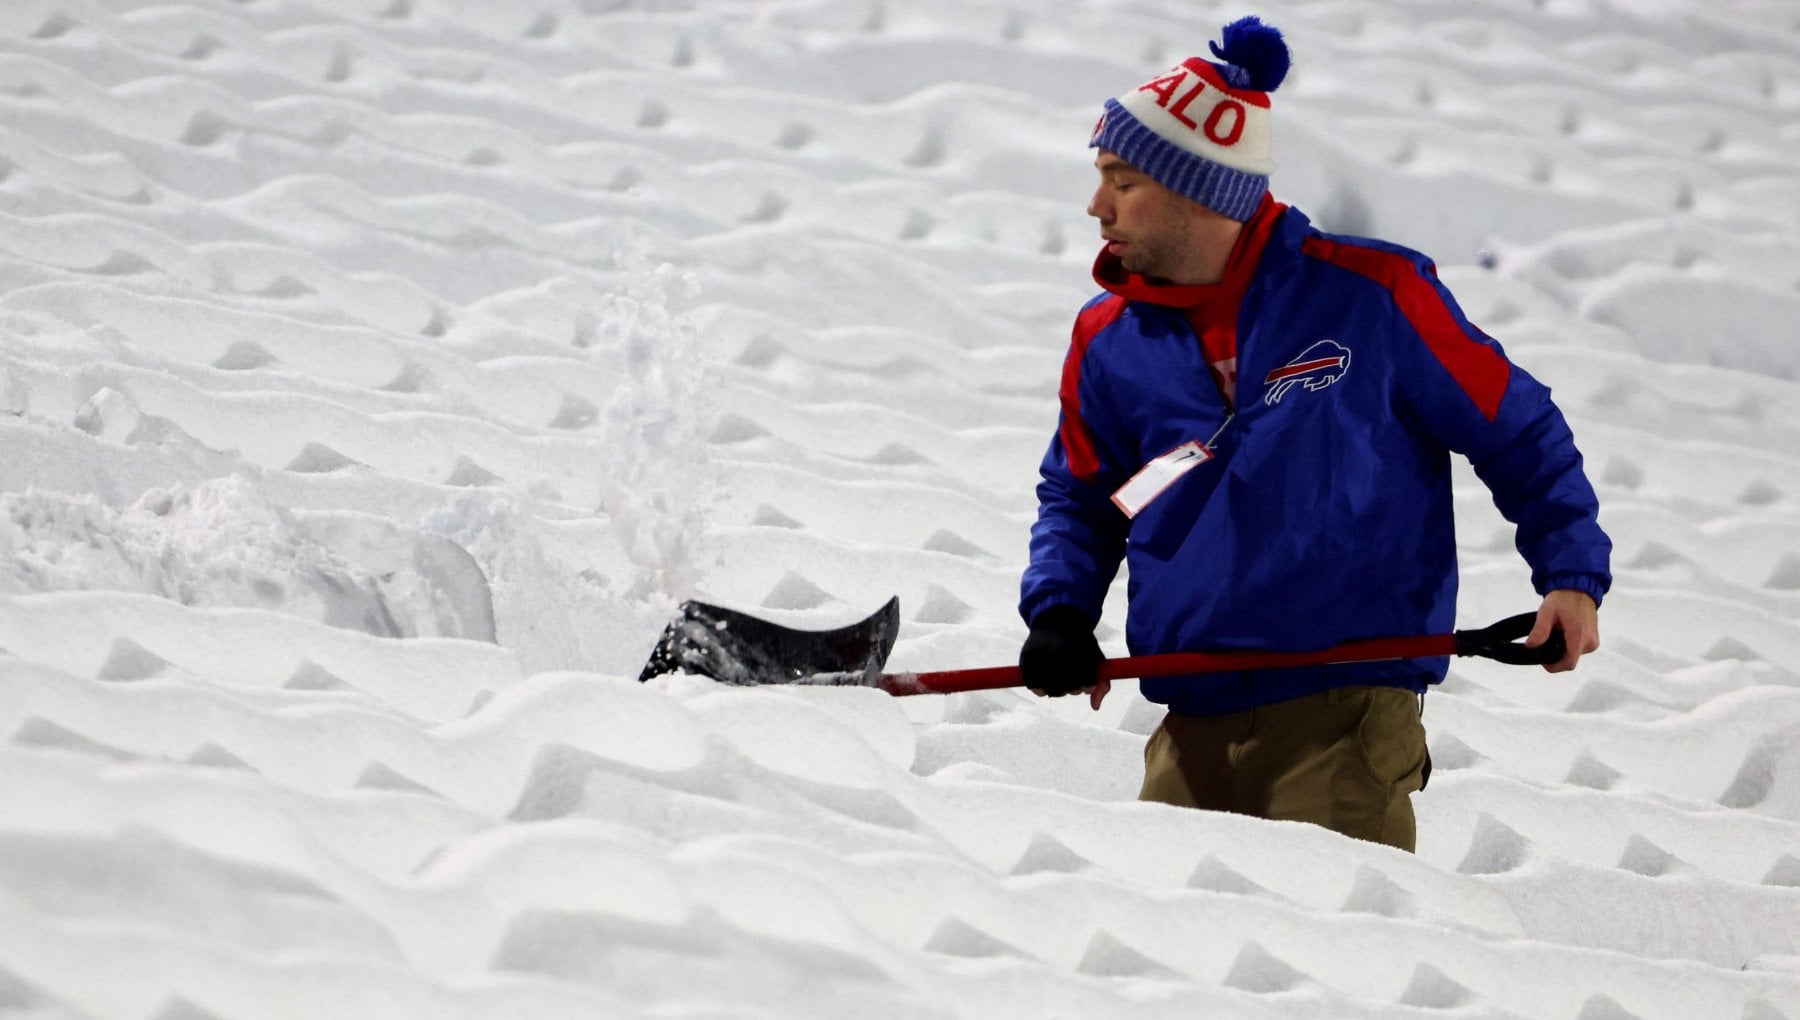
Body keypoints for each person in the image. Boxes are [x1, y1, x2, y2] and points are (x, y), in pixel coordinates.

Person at [1016, 16, 1611, 853]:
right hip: (1190, 714)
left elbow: (1517, 428)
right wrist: (1061, 611)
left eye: (1122, 179)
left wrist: (1571, 574)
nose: (1095, 204)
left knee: (1331, 954)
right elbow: (1085, 496)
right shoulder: (1109, 338)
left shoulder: (1374, 297)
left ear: (1199, 189)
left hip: (1345, 710)